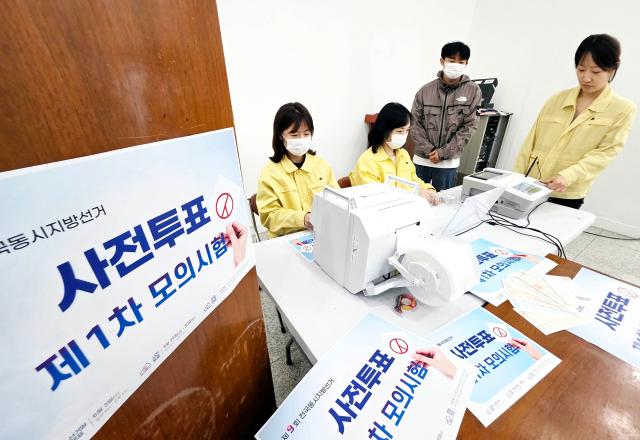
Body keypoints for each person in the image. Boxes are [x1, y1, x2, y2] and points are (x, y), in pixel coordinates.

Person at [514, 34, 636, 209]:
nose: (586, 78)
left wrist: (568, 175)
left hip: (567, 193)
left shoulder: (622, 109)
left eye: (596, 71)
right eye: (581, 69)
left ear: (612, 69)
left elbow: (605, 153)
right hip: (528, 185)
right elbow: (529, 143)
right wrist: (515, 178)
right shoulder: (557, 99)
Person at [256, 102, 338, 238]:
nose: (301, 139)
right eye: (294, 135)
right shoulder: (269, 173)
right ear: (280, 135)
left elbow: (337, 201)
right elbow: (269, 216)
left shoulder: (322, 166)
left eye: (306, 133)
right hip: (285, 239)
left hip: (320, 234)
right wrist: (302, 218)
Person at [410, 41, 482, 191]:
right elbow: (414, 123)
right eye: (451, 60)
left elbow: (469, 126)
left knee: (442, 201)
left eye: (461, 62)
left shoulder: (473, 91)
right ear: (442, 61)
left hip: (448, 164)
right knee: (414, 198)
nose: (456, 65)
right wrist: (430, 150)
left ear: (466, 63)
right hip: (421, 160)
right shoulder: (425, 91)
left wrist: (443, 153)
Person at [349, 102, 439, 205]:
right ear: (384, 130)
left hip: (405, 206)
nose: (404, 135)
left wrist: (429, 190)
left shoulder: (403, 154)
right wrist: (412, 193)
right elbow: (374, 197)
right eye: (400, 131)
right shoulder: (367, 160)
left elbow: (414, 180)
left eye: (407, 131)